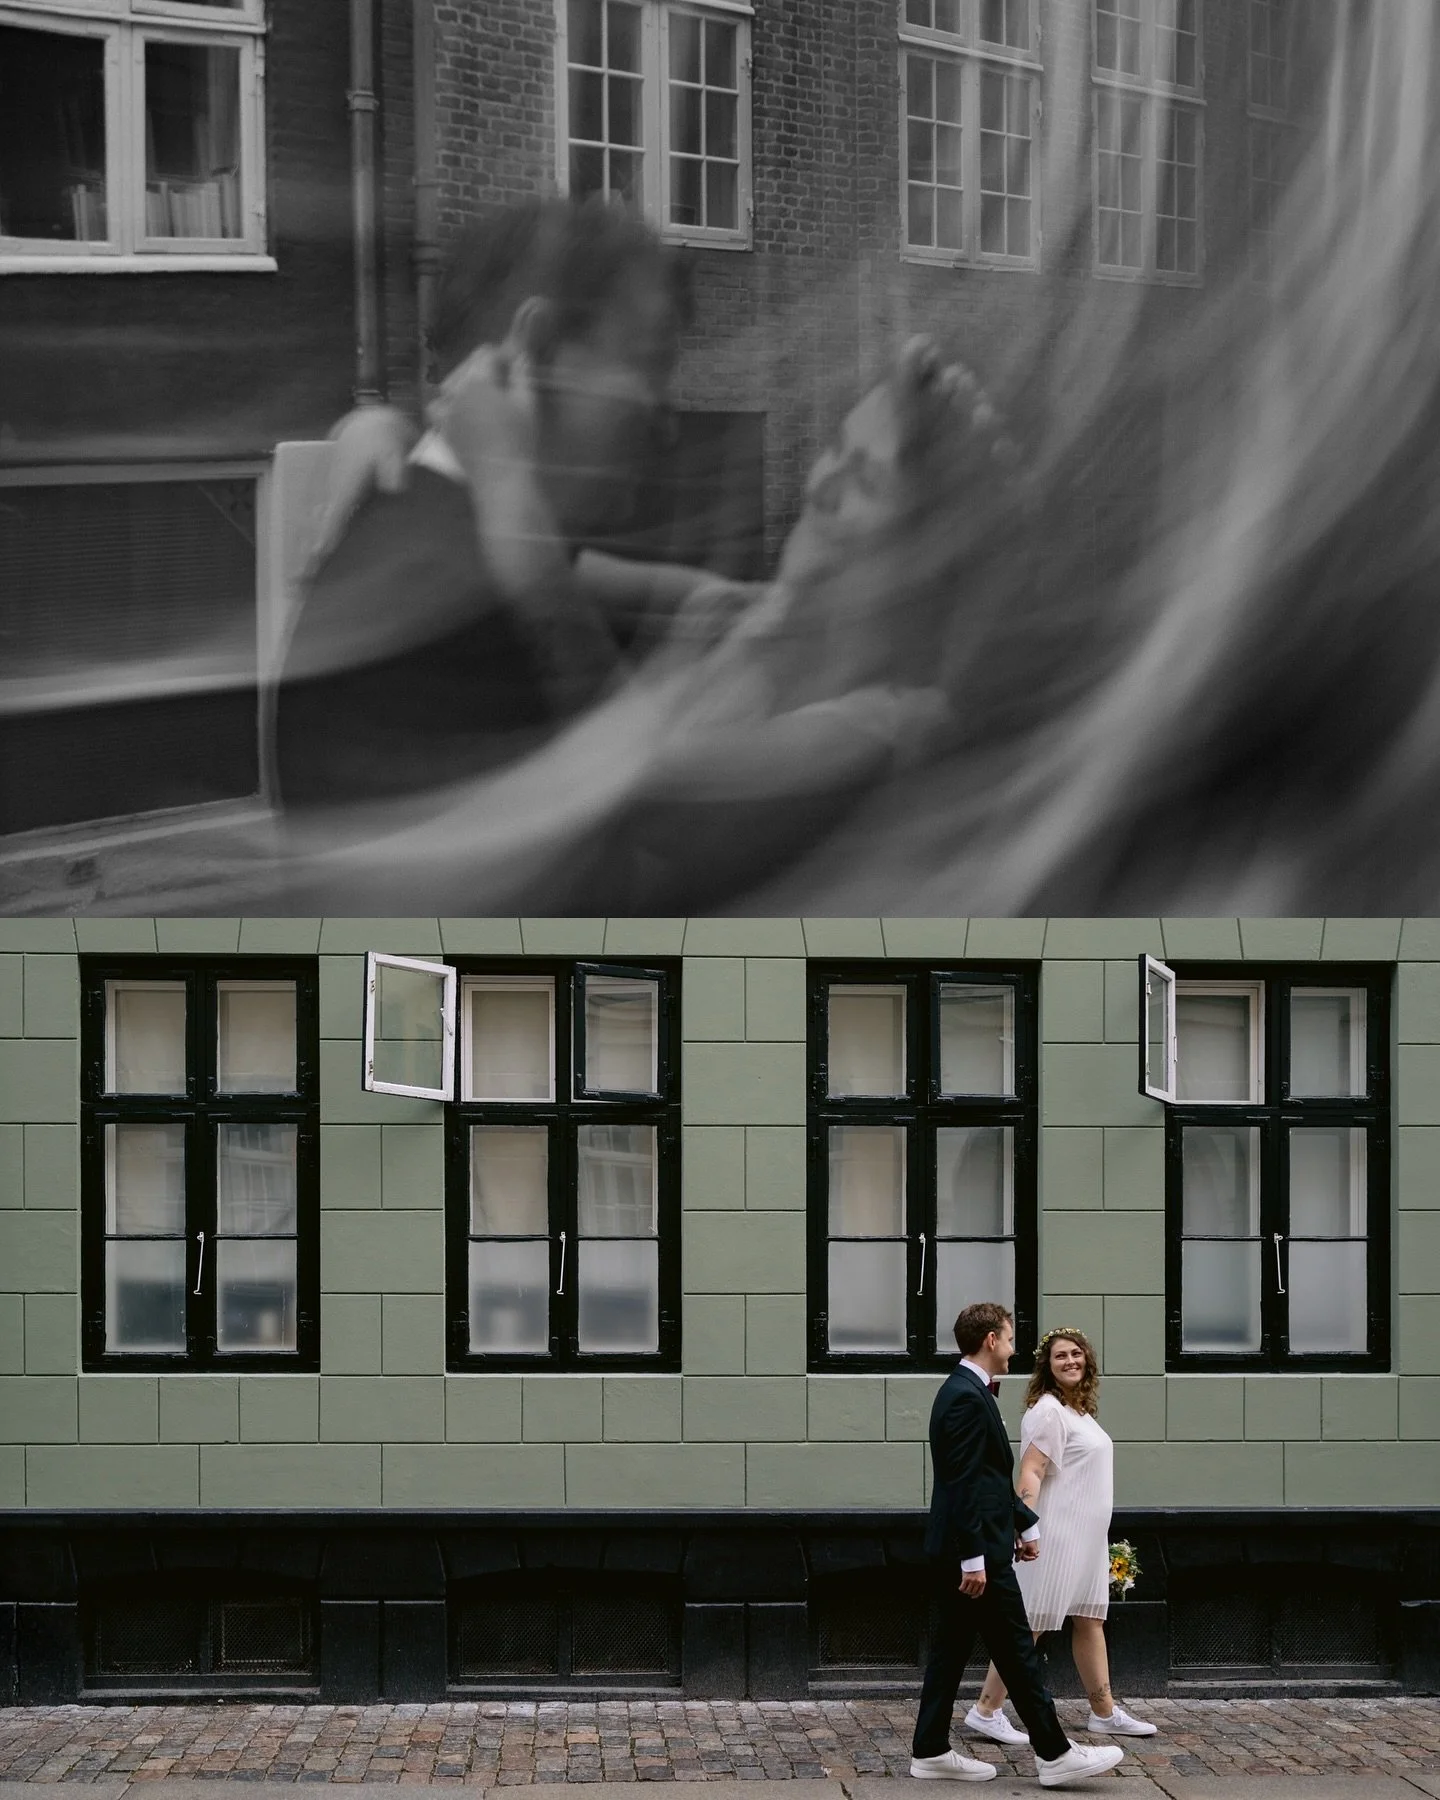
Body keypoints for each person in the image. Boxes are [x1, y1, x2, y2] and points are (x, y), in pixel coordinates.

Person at [911, 1301, 1124, 1788]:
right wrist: (973, 1558)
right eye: (1009, 1339)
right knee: (1016, 1650)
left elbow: (986, 1480)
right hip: (975, 1553)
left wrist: (1024, 1524)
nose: (1013, 1349)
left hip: (976, 1545)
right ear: (990, 1340)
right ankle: (1054, 1753)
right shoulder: (965, 1395)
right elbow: (962, 1484)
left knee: (949, 1655)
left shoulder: (968, 1390)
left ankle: (930, 1751)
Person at [965, 1327, 1157, 1750]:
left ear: (1086, 1360)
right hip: (1054, 1537)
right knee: (1031, 1624)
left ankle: (1104, 1713)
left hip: (1086, 1540)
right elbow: (1030, 1472)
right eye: (1060, 1356)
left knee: (1090, 1621)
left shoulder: (1079, 1412)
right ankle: (985, 1710)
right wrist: (1025, 1526)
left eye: (1076, 1354)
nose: (1070, 1361)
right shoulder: (1048, 1410)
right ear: (1047, 1367)